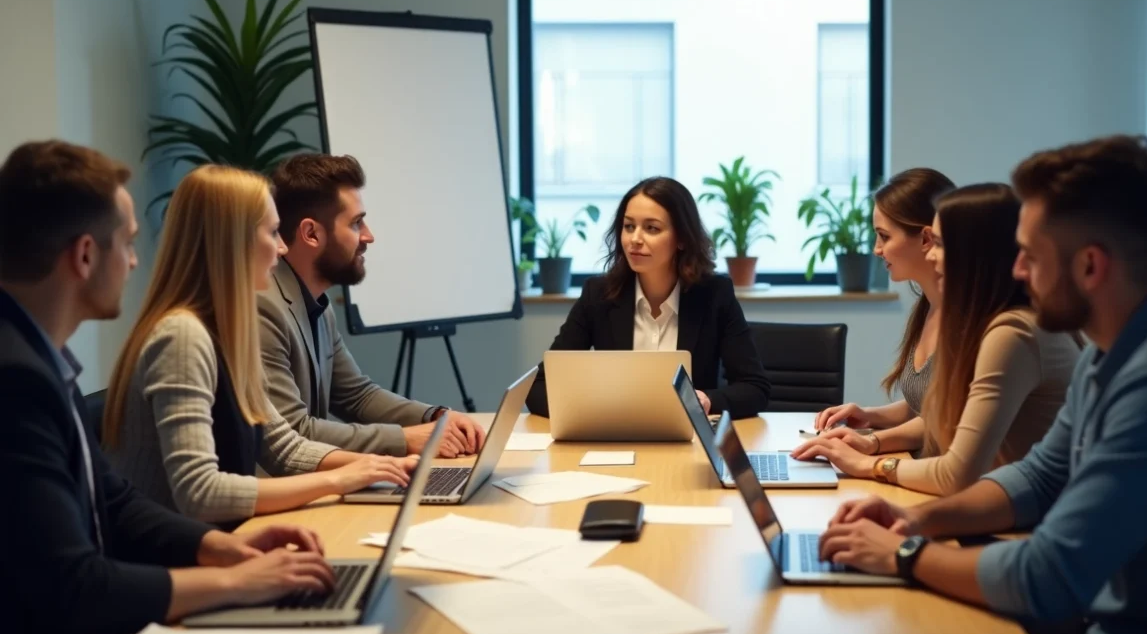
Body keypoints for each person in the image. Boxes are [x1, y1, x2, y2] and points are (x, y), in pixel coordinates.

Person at [815, 136, 1147, 634]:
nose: (1014, 270)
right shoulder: (1110, 346)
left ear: (1090, 266)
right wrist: (918, 521)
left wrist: (903, 553)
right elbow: (1040, 476)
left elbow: (1048, 576)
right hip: (1099, 625)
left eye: (1031, 255)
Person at [0, 141, 336, 634]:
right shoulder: (16, 381)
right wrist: (236, 585)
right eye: (127, 244)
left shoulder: (39, 361)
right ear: (85, 256)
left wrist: (222, 549)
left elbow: (116, 500)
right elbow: (73, 587)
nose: (134, 262)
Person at [105, 164, 419, 527]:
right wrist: (339, 479)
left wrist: (379, 466)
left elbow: (285, 448)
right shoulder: (182, 337)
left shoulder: (224, 329)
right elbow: (200, 493)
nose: (284, 247)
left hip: (214, 545)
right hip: (170, 563)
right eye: (273, 232)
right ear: (232, 243)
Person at [794, 184, 1081, 494]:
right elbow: (944, 416)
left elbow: (956, 475)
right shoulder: (992, 322)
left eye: (939, 243)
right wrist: (870, 443)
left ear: (975, 254)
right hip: (999, 505)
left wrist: (867, 463)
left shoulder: (1012, 333)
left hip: (1016, 518)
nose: (929, 254)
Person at [260, 154, 484, 458]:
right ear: (311, 234)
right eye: (355, 223)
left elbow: (357, 396)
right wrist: (405, 439)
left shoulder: (317, 304)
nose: (368, 236)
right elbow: (295, 431)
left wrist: (434, 417)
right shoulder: (264, 308)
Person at [525, 176, 770, 419]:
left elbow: (754, 388)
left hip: (689, 442)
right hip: (615, 438)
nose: (635, 239)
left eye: (651, 228)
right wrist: (595, 411)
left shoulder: (715, 294)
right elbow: (538, 387)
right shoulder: (598, 295)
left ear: (682, 238)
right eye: (629, 226)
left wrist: (706, 400)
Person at [812, 169, 955, 431]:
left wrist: (870, 445)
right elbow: (921, 407)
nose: (877, 249)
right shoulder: (926, 306)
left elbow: (946, 422)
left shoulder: (967, 319)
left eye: (885, 236)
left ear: (925, 238)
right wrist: (867, 415)